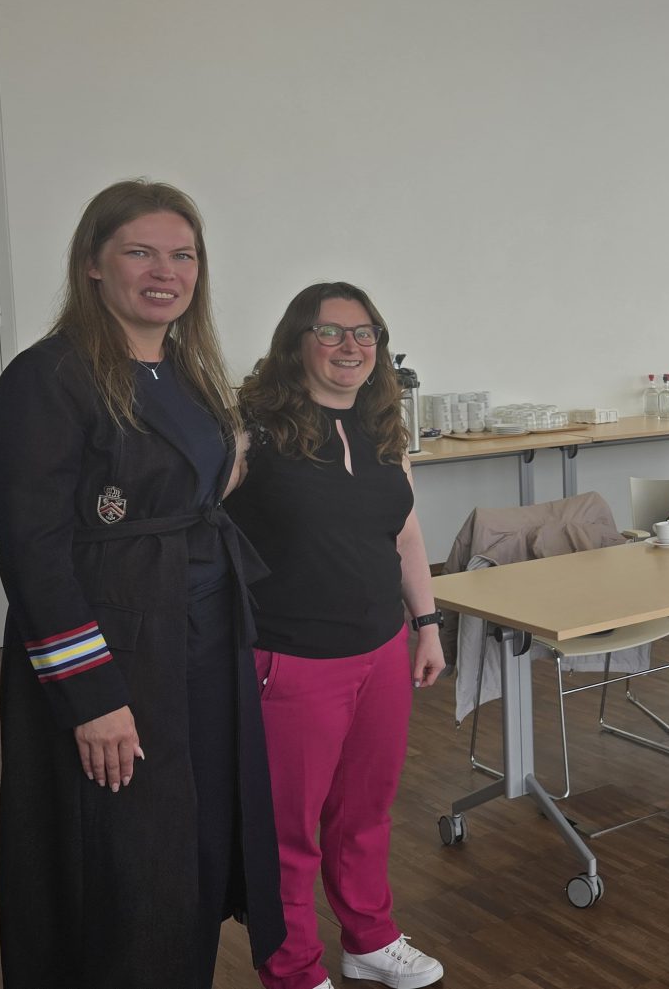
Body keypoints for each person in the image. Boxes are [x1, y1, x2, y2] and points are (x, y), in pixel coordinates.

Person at [0, 180, 283, 988]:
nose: (165, 271)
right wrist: (92, 696)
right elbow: (33, 552)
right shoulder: (47, 378)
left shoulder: (186, 370)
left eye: (183, 255)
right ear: (93, 262)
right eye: (140, 252)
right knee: (127, 858)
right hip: (117, 650)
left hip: (201, 641)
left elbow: (192, 487)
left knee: (195, 843)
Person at [227, 283, 448, 989]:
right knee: (288, 829)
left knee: (365, 812)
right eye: (330, 331)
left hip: (381, 650)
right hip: (291, 659)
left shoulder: (385, 432)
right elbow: (193, 526)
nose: (350, 346)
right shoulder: (253, 435)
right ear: (297, 343)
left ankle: (369, 938)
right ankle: (292, 968)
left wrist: (427, 624)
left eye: (364, 333)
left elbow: (404, 534)